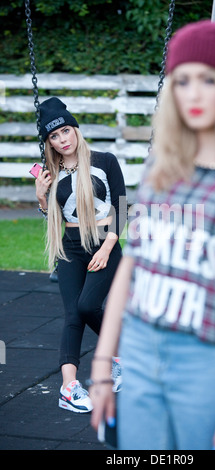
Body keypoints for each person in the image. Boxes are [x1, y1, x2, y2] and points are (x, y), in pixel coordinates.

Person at [89, 20, 215, 449]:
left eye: (208, 80)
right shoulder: (162, 169)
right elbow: (131, 269)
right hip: (142, 351)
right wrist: (104, 366)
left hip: (210, 360)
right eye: (182, 81)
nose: (193, 93)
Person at [34, 97, 126, 413]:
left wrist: (107, 246)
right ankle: (69, 387)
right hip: (71, 246)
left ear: (75, 129)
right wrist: (42, 198)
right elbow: (54, 217)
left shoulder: (106, 161)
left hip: (105, 241)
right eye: (54, 138)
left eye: (65, 132)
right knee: (73, 313)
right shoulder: (53, 172)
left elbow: (123, 207)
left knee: (88, 305)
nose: (62, 141)